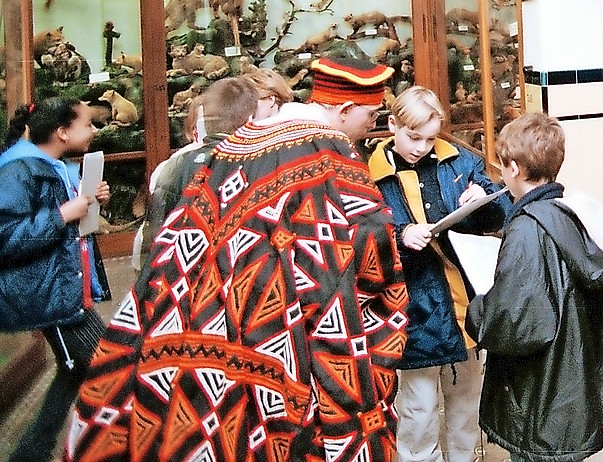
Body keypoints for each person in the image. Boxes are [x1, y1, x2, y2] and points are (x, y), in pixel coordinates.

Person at [70, 57, 408, 462]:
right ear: (344, 109)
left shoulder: (235, 144)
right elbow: (369, 256)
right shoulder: (329, 154)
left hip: (197, 323)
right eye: (370, 114)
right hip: (282, 334)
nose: (371, 125)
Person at [465, 112, 603, 462]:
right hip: (572, 384)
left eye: (503, 165)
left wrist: (477, 310)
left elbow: (517, 322)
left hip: (539, 394)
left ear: (515, 169)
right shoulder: (571, 210)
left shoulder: (526, 228)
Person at [369, 86, 511, 462]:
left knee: (466, 400)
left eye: (430, 139)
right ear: (392, 125)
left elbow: (502, 210)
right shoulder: (369, 175)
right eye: (413, 137)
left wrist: (479, 196)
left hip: (465, 299)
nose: (421, 147)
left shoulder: (459, 161)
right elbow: (362, 239)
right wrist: (400, 234)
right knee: (418, 407)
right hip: (412, 306)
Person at [0, 97, 111, 462]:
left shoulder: (54, 164)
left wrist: (91, 202)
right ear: (62, 132)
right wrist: (63, 214)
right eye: (86, 124)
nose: (94, 130)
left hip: (63, 288)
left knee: (77, 369)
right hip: (51, 296)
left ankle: (30, 453)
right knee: (110, 367)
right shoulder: (18, 171)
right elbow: (7, 238)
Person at [133, 76, 259, 267]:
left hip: (187, 274)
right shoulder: (261, 163)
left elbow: (156, 235)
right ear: (251, 118)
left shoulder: (174, 166)